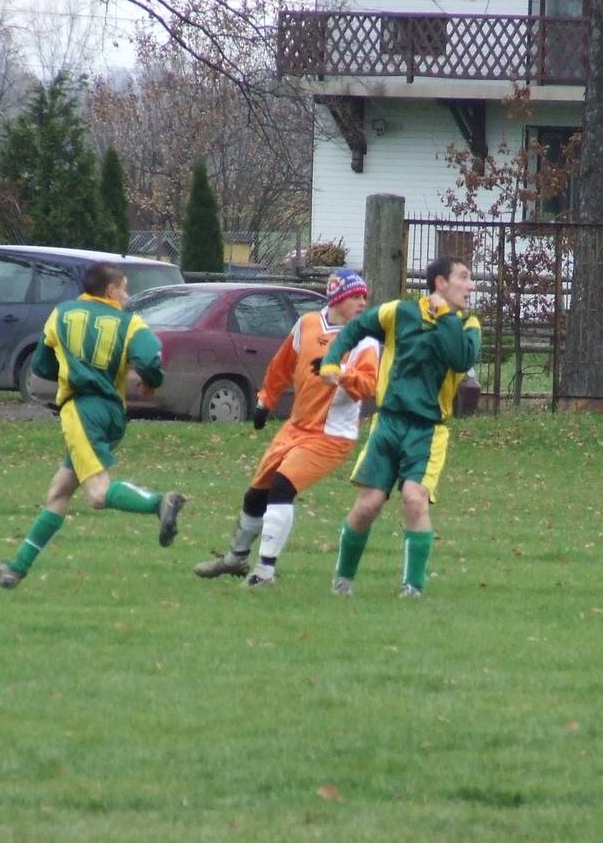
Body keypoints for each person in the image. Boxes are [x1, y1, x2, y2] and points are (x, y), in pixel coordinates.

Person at [0, 263, 184, 589]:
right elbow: (151, 360)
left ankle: (159, 503)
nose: (127, 296)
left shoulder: (61, 314)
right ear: (110, 291)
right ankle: (15, 571)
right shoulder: (130, 323)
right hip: (113, 414)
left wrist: (73, 368)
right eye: (125, 289)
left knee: (97, 494)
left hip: (82, 411)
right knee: (59, 492)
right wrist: (151, 381)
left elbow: (41, 365)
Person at [193, 269, 379, 587]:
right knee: (256, 494)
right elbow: (282, 365)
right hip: (295, 427)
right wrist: (266, 400)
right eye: (356, 296)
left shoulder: (365, 341)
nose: (363, 302)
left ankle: (264, 572)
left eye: (365, 297)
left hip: (331, 436)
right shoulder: (307, 324)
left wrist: (340, 373)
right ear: (337, 298)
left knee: (282, 488)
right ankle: (236, 559)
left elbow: (368, 385)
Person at [318, 255, 480, 597]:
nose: (471, 285)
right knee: (368, 505)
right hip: (388, 424)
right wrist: (332, 361)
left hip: (428, 430)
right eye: (464, 277)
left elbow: (461, 359)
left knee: (414, 499)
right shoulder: (400, 312)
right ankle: (342, 582)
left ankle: (412, 589)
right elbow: (356, 328)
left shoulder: (468, 325)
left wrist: (444, 316)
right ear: (440, 283)